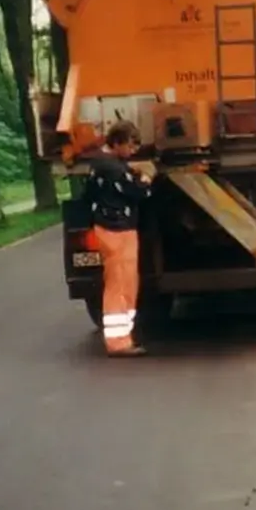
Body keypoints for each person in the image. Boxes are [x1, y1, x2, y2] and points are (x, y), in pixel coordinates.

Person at [84, 120, 154, 357]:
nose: (133, 151)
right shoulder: (113, 169)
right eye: (130, 146)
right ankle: (118, 342)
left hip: (113, 227)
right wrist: (146, 178)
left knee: (125, 282)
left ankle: (123, 336)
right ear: (117, 143)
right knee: (120, 284)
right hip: (116, 230)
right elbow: (139, 192)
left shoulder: (103, 164)